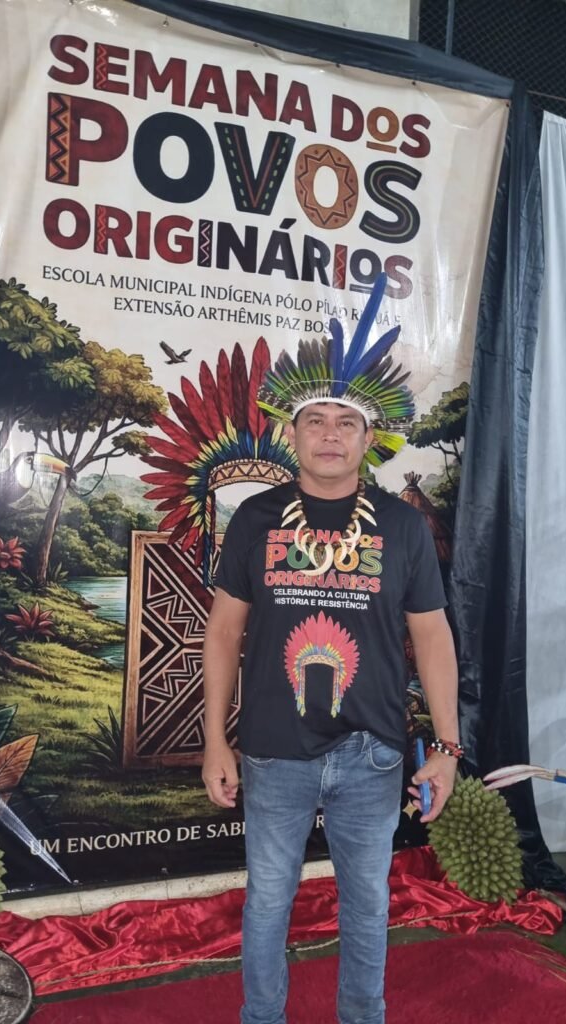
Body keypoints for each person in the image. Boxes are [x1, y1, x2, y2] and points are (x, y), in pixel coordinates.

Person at [202, 275, 461, 1024]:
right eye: (314, 420)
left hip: (372, 752)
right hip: (273, 749)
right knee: (268, 899)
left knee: (368, 900)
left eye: (346, 423)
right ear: (292, 433)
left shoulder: (402, 527)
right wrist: (215, 738)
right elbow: (223, 632)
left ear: (368, 438)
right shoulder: (255, 519)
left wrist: (448, 746)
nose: (329, 435)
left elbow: (432, 635)